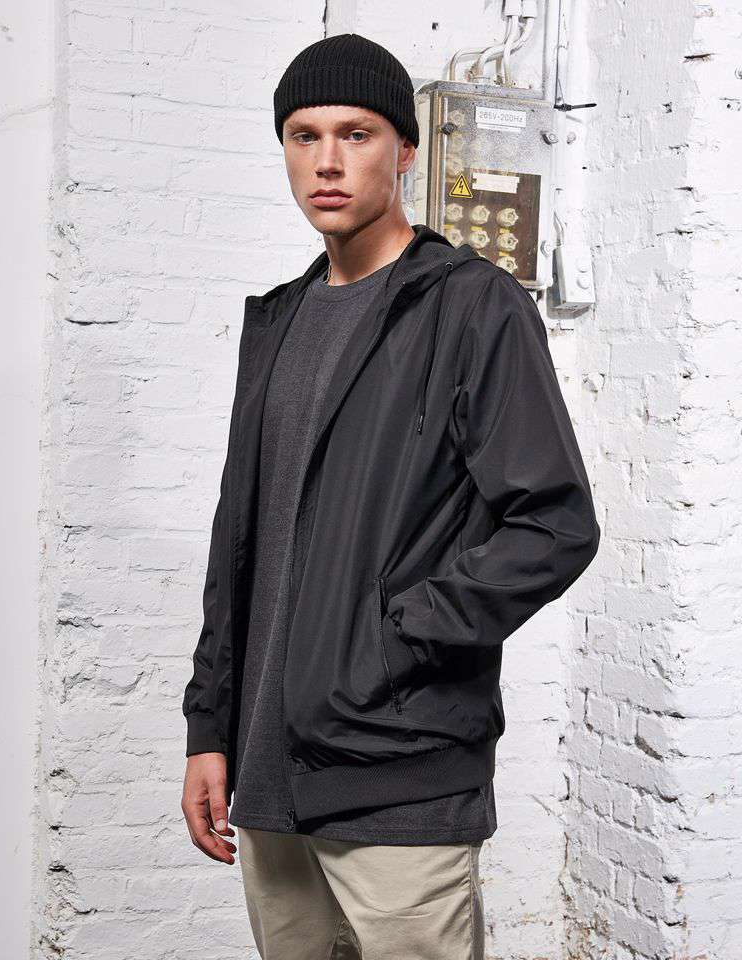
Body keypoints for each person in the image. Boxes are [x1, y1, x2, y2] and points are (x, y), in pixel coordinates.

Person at [181, 32, 600, 960]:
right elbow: (238, 545)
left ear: (405, 150)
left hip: (399, 770)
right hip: (267, 773)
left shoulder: (471, 306)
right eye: (304, 135)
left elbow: (555, 523)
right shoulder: (279, 320)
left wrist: (395, 636)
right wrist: (209, 726)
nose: (327, 162)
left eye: (357, 134)